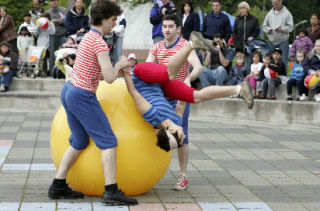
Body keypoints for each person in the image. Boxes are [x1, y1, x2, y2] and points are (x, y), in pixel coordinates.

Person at [47, 0, 137, 206]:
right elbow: (109, 78)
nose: (114, 24)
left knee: (79, 141)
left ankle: (58, 185)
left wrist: (112, 67)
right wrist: (121, 64)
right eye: (113, 20)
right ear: (103, 18)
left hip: (69, 91)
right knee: (108, 141)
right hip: (82, 96)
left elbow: (92, 72)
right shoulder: (99, 42)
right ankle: (111, 191)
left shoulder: (88, 36)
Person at [122, 35, 253, 152]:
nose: (183, 136)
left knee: (169, 74)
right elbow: (181, 102)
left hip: (141, 77)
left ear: (171, 131)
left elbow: (133, 92)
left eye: (180, 137)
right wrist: (186, 85)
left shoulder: (152, 116)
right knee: (196, 97)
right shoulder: (177, 121)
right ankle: (240, 89)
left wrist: (126, 71)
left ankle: (191, 44)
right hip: (160, 87)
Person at [146, 14, 202, 191]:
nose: (166, 30)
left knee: (181, 134)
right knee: (153, 129)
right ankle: (147, 170)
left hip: (179, 96)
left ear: (178, 29)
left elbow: (198, 68)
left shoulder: (185, 46)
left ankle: (182, 175)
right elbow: (148, 68)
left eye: (170, 26)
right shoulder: (156, 47)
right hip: (160, 96)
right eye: (164, 27)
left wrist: (187, 78)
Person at [262, 0, 293, 75]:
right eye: (274, 4)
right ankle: (271, 76)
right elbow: (264, 26)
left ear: (281, 2)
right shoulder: (269, 14)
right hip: (271, 40)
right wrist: (268, 30)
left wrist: (281, 29)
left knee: (283, 60)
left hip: (283, 40)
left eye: (277, 3)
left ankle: (283, 78)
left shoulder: (287, 13)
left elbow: (290, 27)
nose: (275, 5)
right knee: (271, 60)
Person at [48, 0, 68, 76]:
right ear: (50, 2)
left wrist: (55, 21)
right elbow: (47, 22)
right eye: (52, 1)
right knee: (52, 54)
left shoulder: (63, 10)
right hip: (52, 36)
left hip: (62, 35)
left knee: (64, 54)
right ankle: (51, 73)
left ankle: (64, 72)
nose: (54, 2)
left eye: (55, 1)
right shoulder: (48, 12)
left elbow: (65, 21)